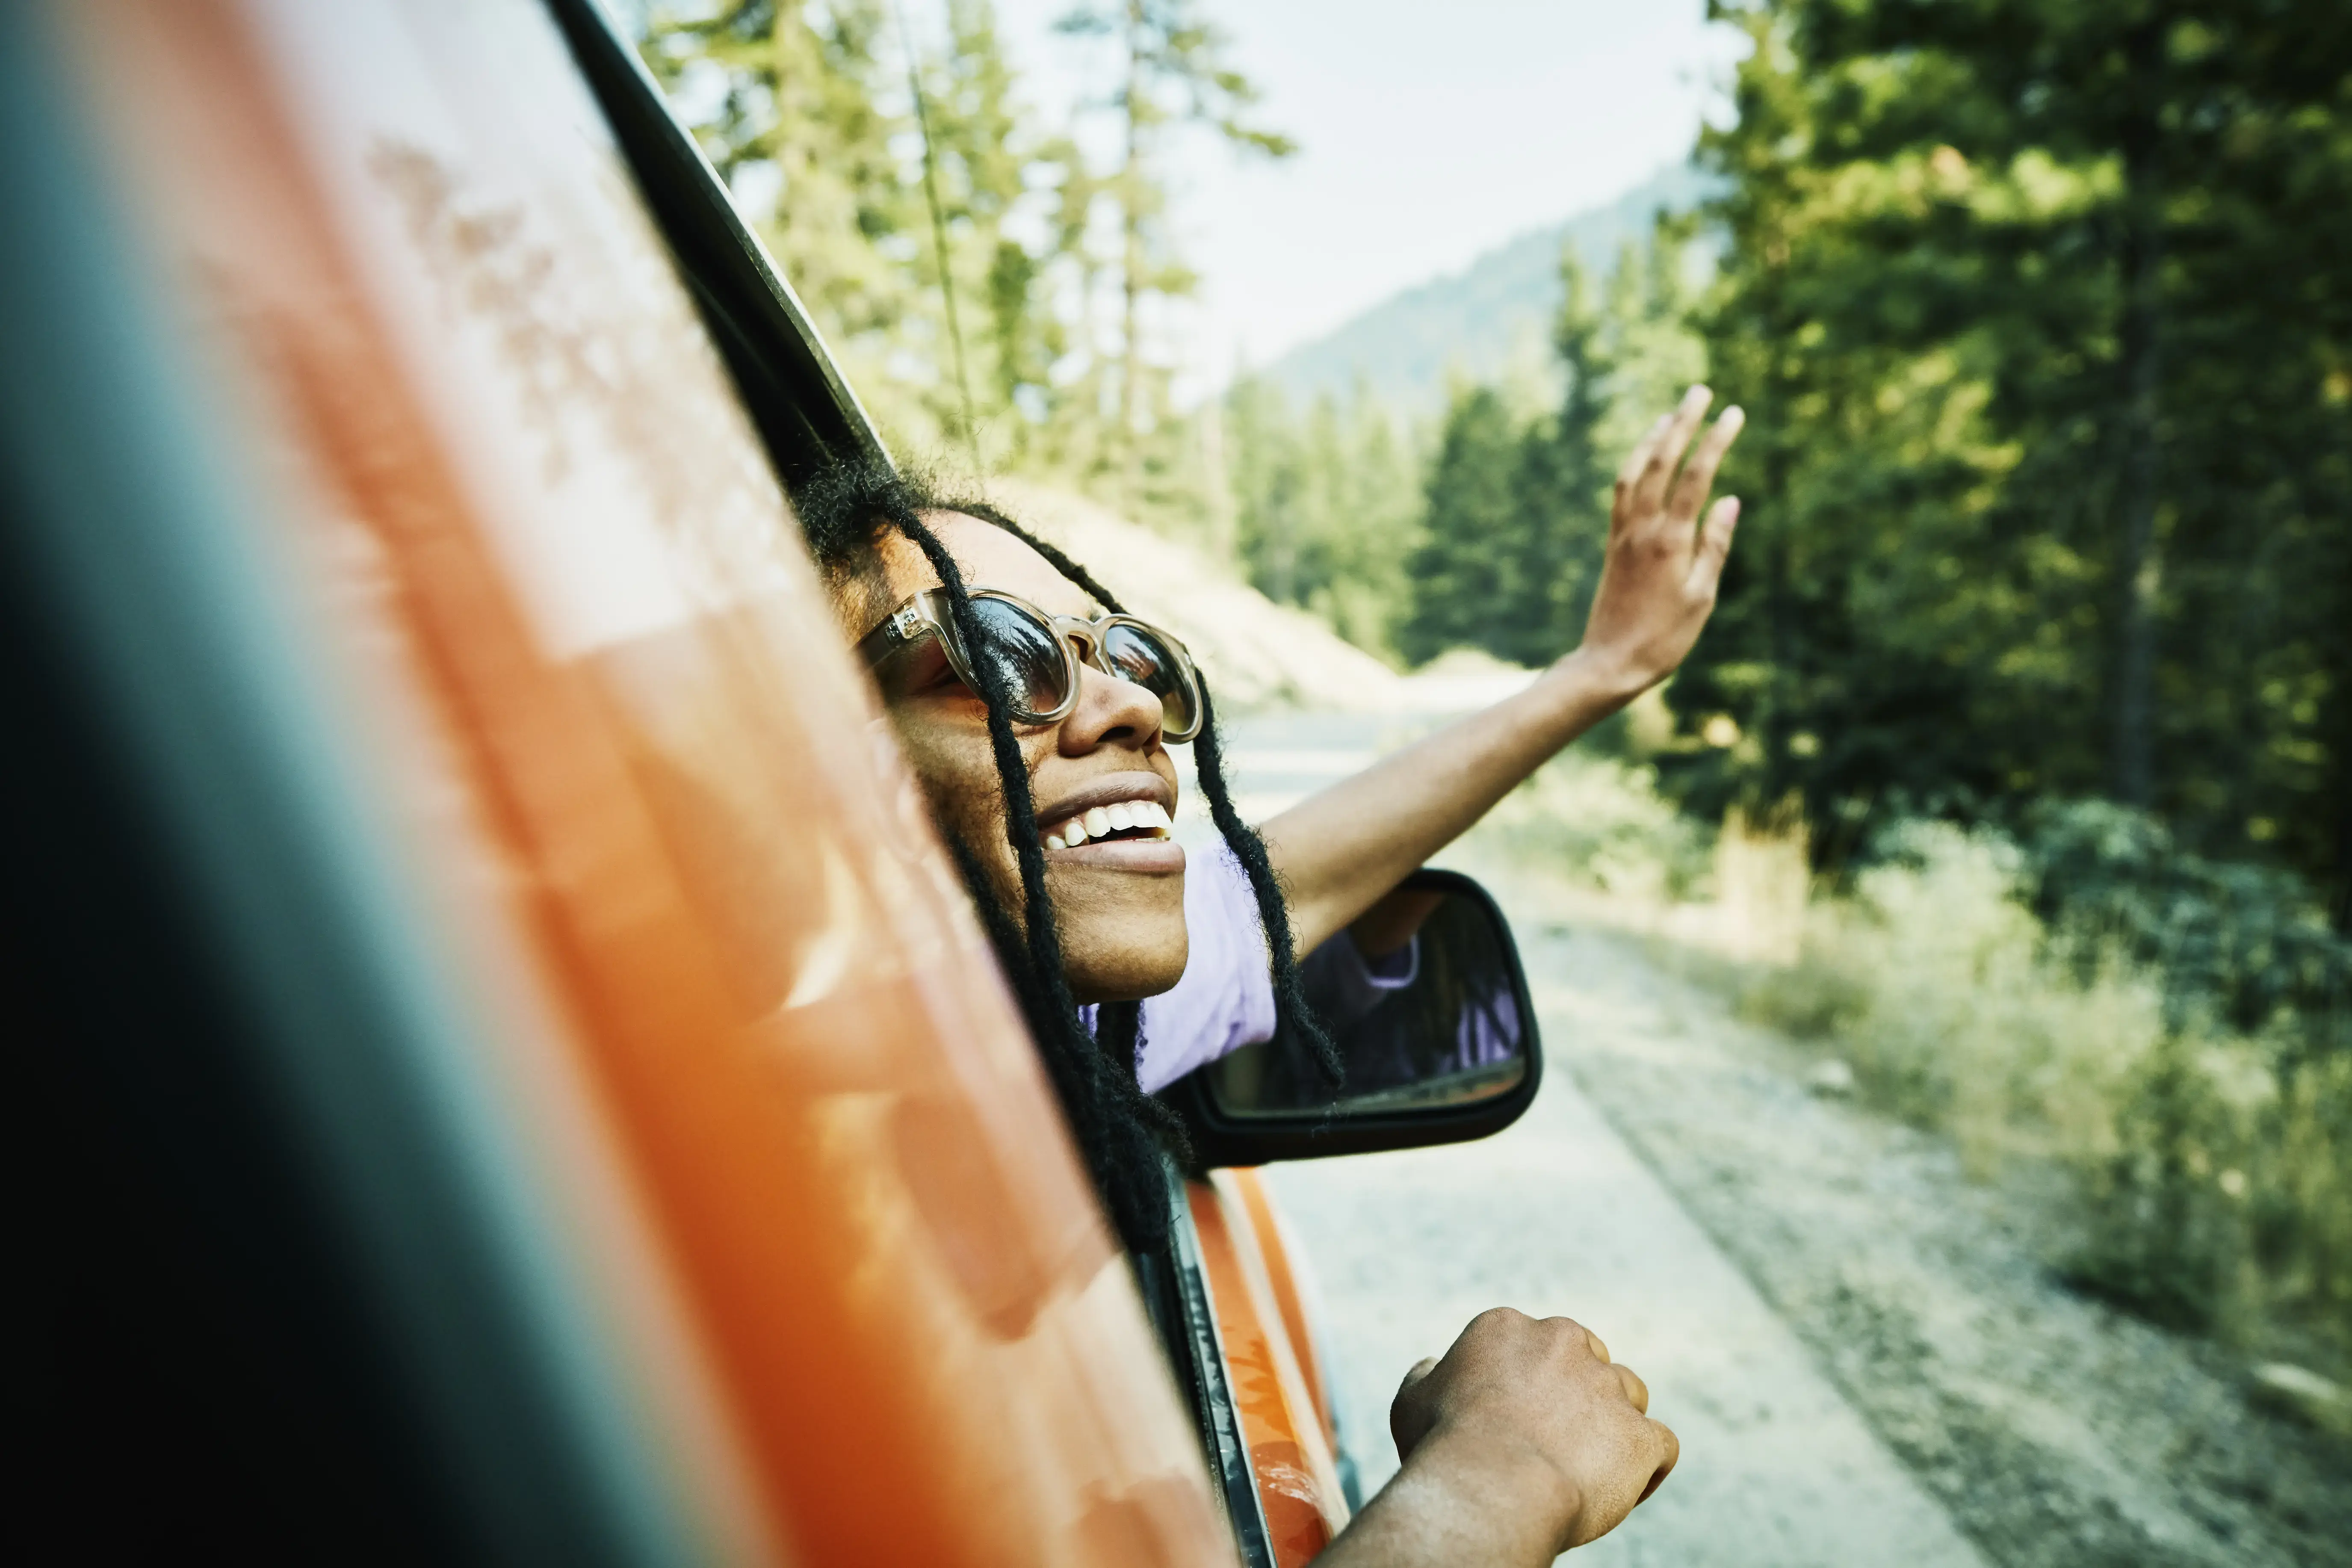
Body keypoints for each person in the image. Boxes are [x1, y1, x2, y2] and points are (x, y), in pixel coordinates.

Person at [798, 385, 1744, 1561]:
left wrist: (1605, 669)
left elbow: (1294, 879)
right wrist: (1500, 1483)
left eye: (1129, 654)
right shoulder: (769, 1188)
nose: (1130, 706)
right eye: (993, 661)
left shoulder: (1055, 1013)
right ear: (805, 769)